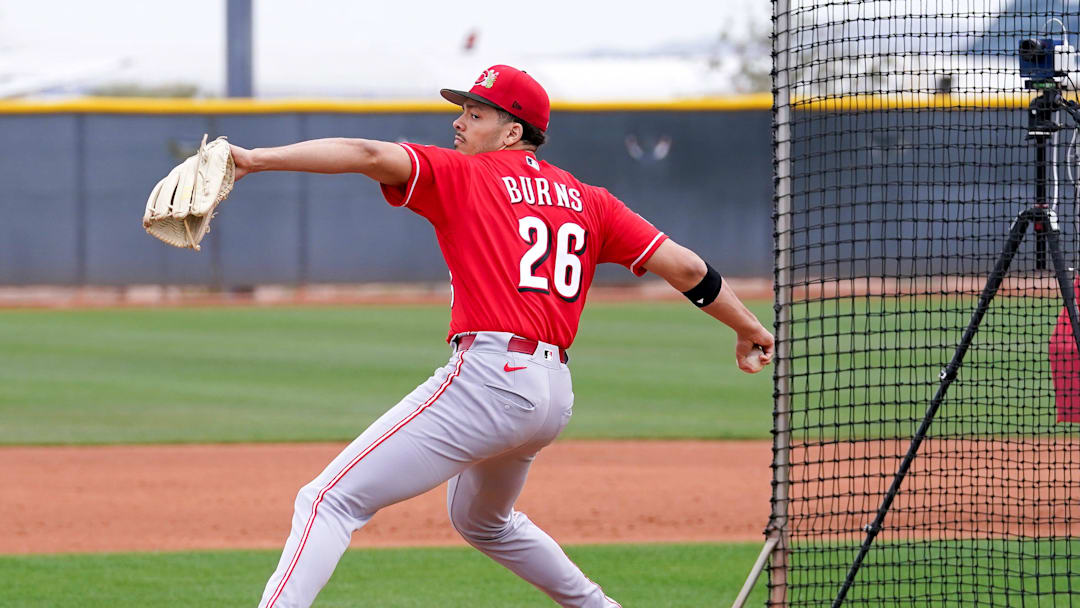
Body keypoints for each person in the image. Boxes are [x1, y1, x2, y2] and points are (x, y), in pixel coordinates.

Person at [228, 64, 775, 608]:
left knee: (327, 500)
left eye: (475, 113)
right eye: (461, 111)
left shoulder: (464, 175)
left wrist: (254, 160)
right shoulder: (591, 201)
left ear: (513, 131)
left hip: (490, 377)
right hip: (552, 394)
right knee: (483, 521)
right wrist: (746, 325)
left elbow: (369, 155)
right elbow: (684, 268)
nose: (459, 124)